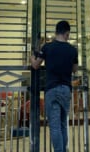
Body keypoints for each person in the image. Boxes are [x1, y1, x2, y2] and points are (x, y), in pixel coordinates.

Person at [31, 20, 78, 152]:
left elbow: (35, 65)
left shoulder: (47, 47)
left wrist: (32, 56)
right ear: (67, 33)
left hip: (52, 90)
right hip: (66, 90)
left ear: (56, 32)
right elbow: (75, 69)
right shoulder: (72, 50)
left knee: (55, 126)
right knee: (63, 125)